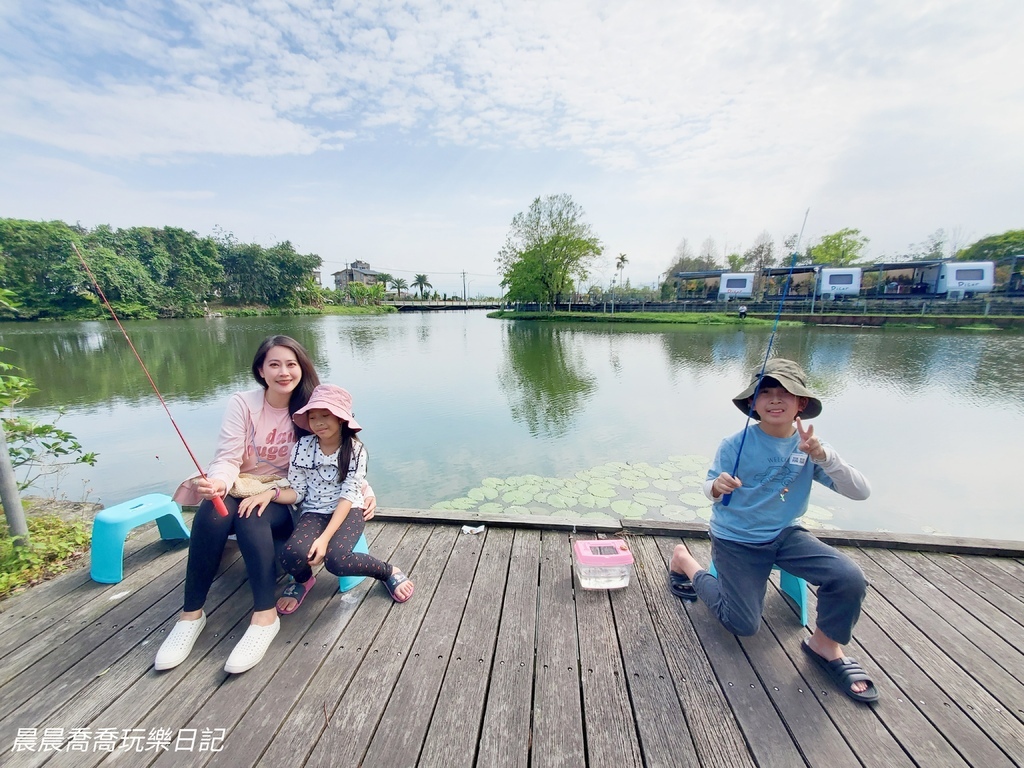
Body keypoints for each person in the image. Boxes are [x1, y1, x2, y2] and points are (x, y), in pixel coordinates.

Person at [153, 335, 376, 675]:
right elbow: (227, 458)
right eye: (274, 364)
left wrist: (363, 487)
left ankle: (264, 616)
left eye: (291, 364)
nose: (283, 372)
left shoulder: (312, 409)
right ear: (260, 370)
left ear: (302, 368)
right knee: (213, 508)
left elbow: (340, 451)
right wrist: (219, 483)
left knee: (250, 517)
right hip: (243, 483)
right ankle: (191, 614)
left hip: (287, 495)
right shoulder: (243, 404)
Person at [667, 358, 878, 703]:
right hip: (736, 539)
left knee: (849, 577)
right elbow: (708, 490)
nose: (775, 400)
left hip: (786, 535)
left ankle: (826, 645)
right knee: (742, 625)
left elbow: (861, 491)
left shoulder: (810, 447)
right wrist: (718, 486)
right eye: (766, 393)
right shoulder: (735, 443)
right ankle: (685, 562)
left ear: (801, 403)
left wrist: (824, 456)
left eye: (785, 393)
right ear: (753, 403)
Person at [266, 384, 414, 614]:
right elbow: (298, 492)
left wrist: (324, 539)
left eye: (325, 416)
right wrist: (272, 494)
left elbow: (348, 496)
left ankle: (387, 571)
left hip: (349, 510)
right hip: (314, 511)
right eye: (313, 417)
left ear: (341, 419)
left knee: (337, 560)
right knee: (290, 554)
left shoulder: (355, 450)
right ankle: (303, 580)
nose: (318, 422)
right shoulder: (302, 447)